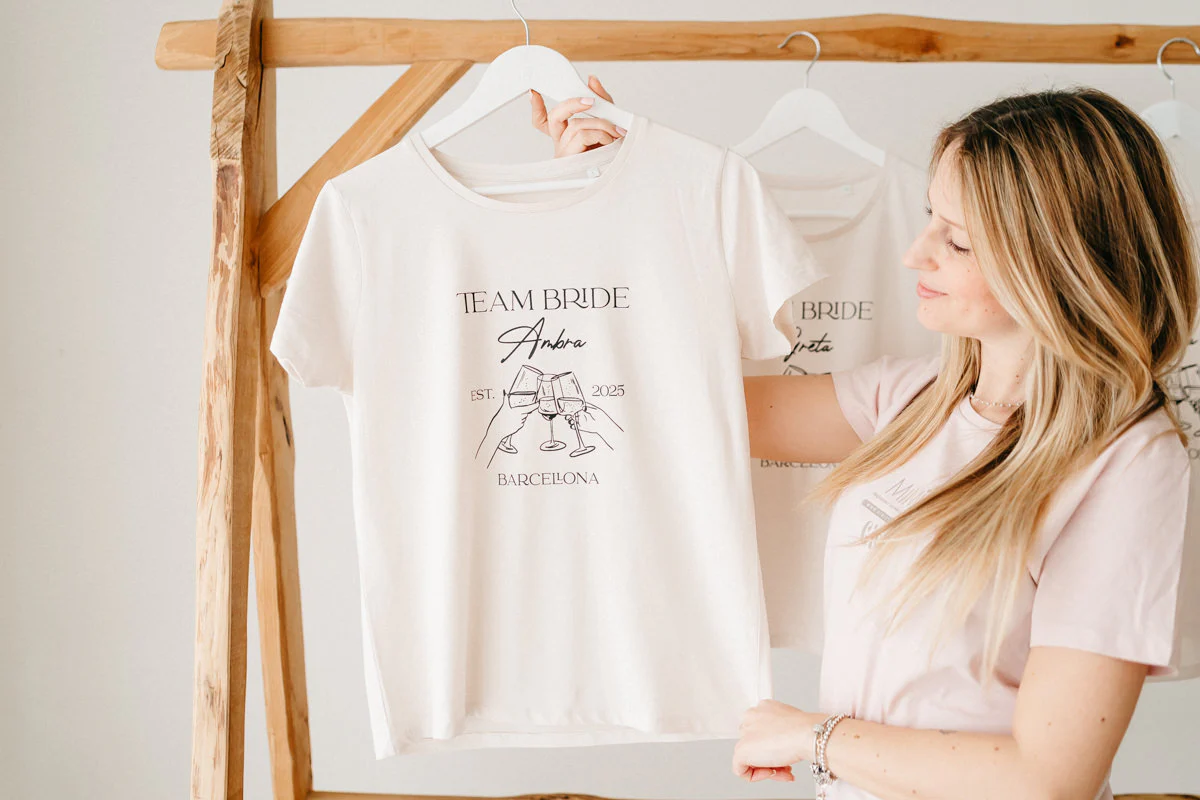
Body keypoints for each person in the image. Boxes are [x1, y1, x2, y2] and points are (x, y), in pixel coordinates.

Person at [529, 78, 1199, 800]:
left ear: (1058, 264)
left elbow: (1047, 779)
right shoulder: (912, 401)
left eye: (957, 240)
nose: (916, 254)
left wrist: (814, 737)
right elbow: (665, 399)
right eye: (930, 218)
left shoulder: (1128, 464)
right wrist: (607, 202)